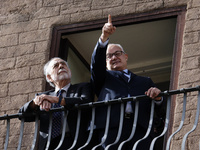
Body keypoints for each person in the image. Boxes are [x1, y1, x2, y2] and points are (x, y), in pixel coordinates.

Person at [90, 15, 163, 150]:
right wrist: (104, 38)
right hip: (111, 130)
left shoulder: (145, 81)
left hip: (141, 131)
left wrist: (158, 97)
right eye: (109, 56)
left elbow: (158, 108)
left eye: (117, 53)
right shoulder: (103, 77)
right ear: (105, 62)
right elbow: (95, 65)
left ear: (125, 56)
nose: (114, 57)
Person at [19, 57, 94, 150]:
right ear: (49, 77)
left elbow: (85, 101)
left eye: (63, 64)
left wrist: (57, 100)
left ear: (69, 71)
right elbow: (22, 115)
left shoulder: (82, 87)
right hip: (49, 145)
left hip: (75, 143)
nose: (61, 66)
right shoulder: (43, 96)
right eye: (56, 66)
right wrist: (35, 102)